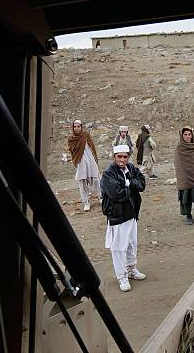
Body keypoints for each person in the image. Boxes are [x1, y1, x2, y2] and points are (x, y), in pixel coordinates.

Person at [100, 144, 147, 292]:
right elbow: (116, 194)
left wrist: (129, 183)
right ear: (114, 157)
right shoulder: (108, 173)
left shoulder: (131, 168)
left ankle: (132, 269)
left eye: (125, 157)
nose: (122, 159)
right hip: (117, 216)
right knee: (119, 247)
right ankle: (122, 276)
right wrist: (129, 187)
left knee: (132, 243)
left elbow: (142, 184)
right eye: (119, 157)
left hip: (131, 214)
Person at [67, 120, 101, 211]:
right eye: (75, 127)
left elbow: (92, 147)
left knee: (96, 179)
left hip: (90, 160)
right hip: (80, 161)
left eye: (78, 126)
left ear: (81, 127)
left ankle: (101, 197)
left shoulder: (86, 135)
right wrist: (77, 147)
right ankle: (86, 202)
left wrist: (95, 159)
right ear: (73, 128)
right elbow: (71, 150)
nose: (77, 128)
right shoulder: (71, 138)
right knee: (82, 182)